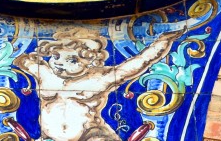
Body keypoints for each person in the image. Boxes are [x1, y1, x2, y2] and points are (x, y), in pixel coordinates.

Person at [15, 27, 182, 141]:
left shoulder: (99, 79)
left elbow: (141, 62)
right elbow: (19, 58)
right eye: (56, 56)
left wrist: (163, 42)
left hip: (91, 135)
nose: (59, 63)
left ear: (89, 62)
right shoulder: (43, 71)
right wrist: (25, 61)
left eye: (71, 60)